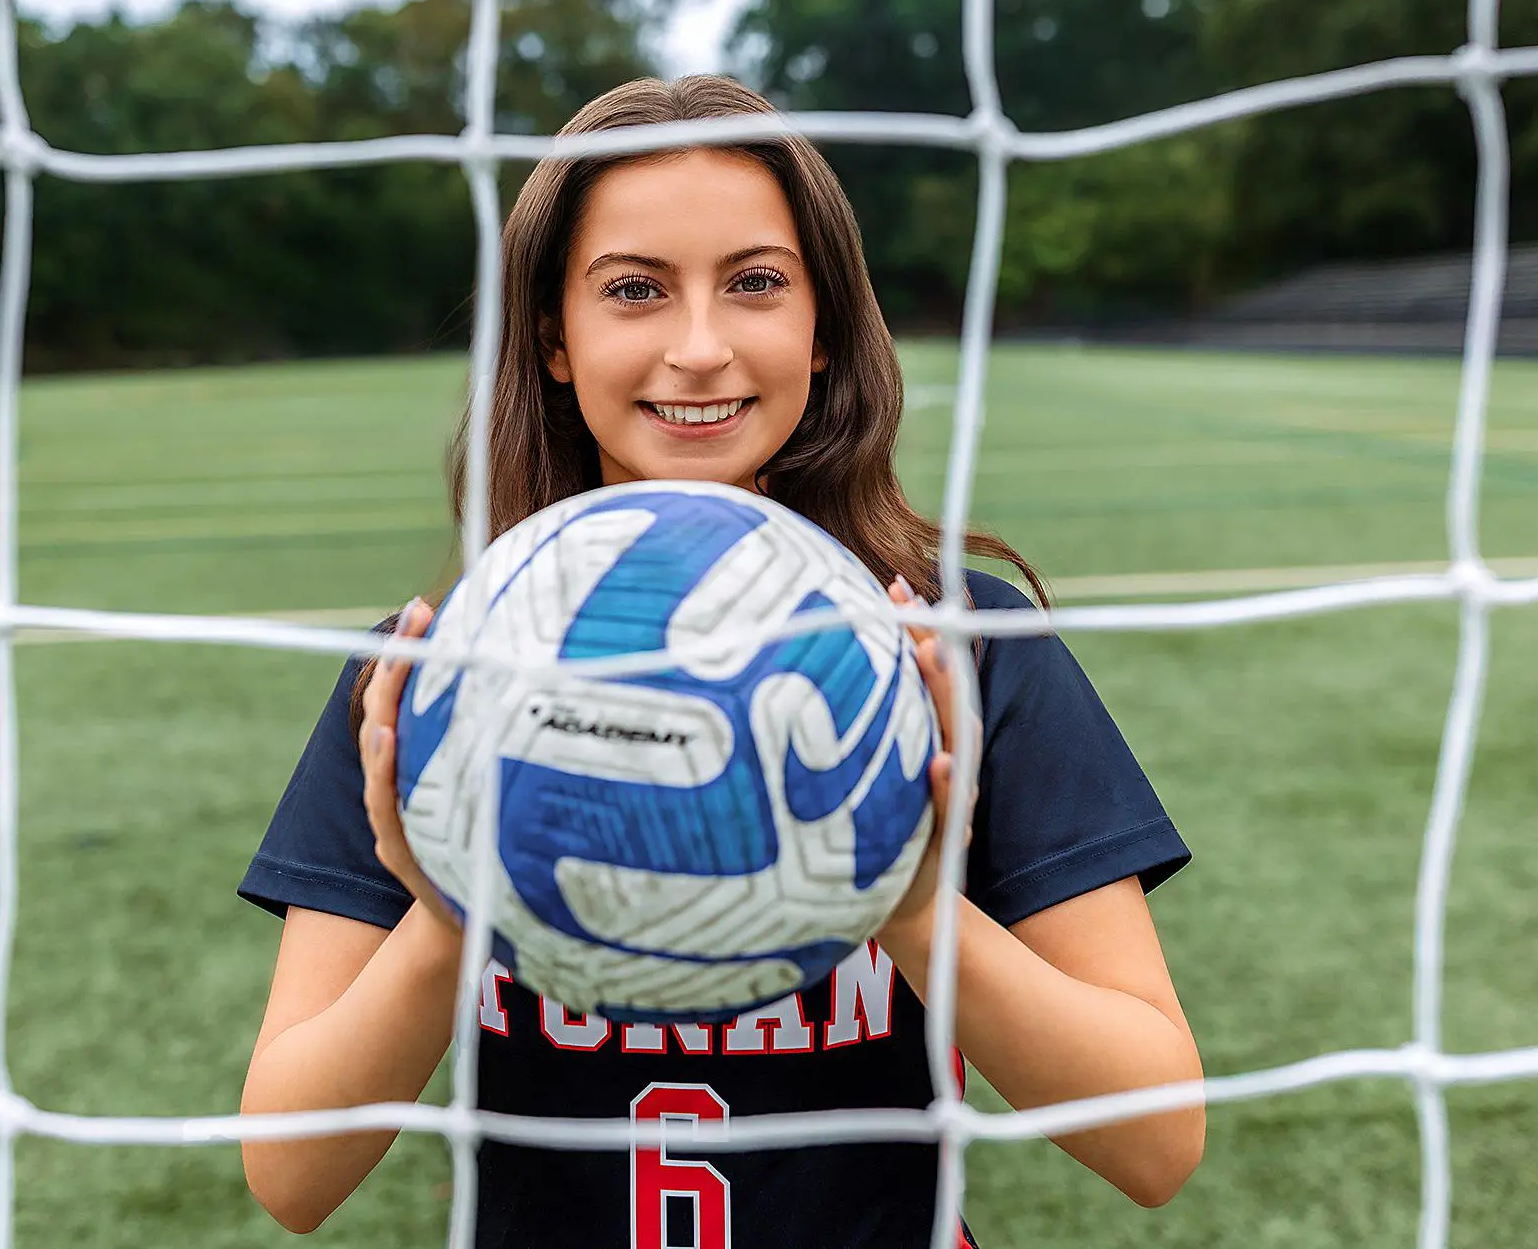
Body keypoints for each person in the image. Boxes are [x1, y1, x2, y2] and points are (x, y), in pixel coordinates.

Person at [236, 74, 1203, 1248]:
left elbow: (1157, 1140)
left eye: (753, 283)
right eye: (634, 291)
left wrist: (900, 902)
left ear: (821, 325)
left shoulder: (954, 648)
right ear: (553, 335)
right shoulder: (436, 674)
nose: (698, 349)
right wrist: (448, 911)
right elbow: (290, 1173)